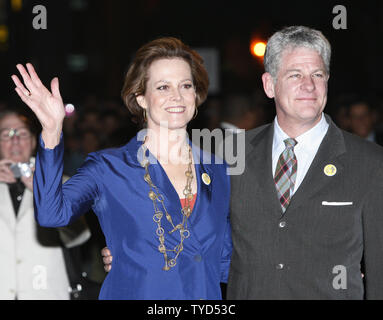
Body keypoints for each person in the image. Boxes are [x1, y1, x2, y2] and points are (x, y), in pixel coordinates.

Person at [11, 37, 232, 300]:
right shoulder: (108, 168)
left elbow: (226, 261)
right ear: (141, 98)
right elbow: (51, 214)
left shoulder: (217, 169)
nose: (177, 96)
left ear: (196, 95)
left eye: (186, 85)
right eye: (163, 87)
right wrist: (51, 130)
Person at [226, 25, 383, 299]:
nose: (308, 85)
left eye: (317, 75)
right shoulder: (231, 154)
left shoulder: (370, 162)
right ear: (269, 85)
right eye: (295, 74)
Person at [0, 110, 90, 300]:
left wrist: (41, 190)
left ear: (34, 142)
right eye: (6, 134)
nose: (14, 140)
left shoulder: (60, 183)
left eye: (22, 134)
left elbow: (79, 236)